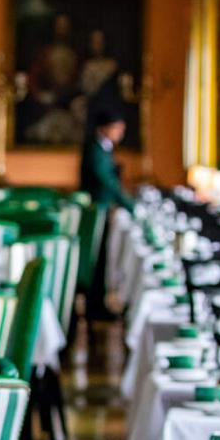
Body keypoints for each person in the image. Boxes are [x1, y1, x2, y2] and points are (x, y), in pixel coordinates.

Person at [81, 107, 137, 321]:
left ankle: (99, 305)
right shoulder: (95, 149)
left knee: (103, 258)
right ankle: (95, 308)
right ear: (106, 128)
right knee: (97, 258)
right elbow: (106, 181)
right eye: (118, 129)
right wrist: (129, 204)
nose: (120, 133)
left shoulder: (102, 147)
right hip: (96, 211)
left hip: (103, 209)